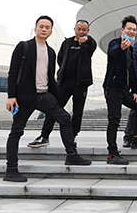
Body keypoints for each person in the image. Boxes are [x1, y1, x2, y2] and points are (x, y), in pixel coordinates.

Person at [4, 15, 91, 182]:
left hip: (44, 95)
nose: (44, 29)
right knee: (16, 131)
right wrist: (11, 96)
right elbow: (13, 72)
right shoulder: (24, 47)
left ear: (51, 31)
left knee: (65, 118)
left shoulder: (51, 52)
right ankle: (11, 170)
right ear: (35, 29)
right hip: (25, 96)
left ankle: (72, 155)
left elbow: (50, 78)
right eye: (41, 26)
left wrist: (57, 98)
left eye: (47, 27)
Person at [27, 19, 96, 148]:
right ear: (74, 29)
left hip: (81, 83)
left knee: (77, 112)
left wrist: (87, 40)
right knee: (53, 108)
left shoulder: (88, 44)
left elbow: (93, 44)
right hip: (65, 82)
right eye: (79, 29)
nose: (81, 32)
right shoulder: (67, 43)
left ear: (88, 31)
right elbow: (60, 59)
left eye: (84, 30)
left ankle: (72, 137)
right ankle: (44, 136)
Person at [103, 15, 137, 165]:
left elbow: (132, 72)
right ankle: (112, 154)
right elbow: (113, 53)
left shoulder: (131, 49)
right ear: (122, 30)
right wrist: (121, 48)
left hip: (125, 90)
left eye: (134, 30)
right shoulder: (115, 43)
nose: (131, 31)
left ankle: (136, 138)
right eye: (129, 28)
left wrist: (135, 91)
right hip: (113, 88)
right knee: (114, 120)